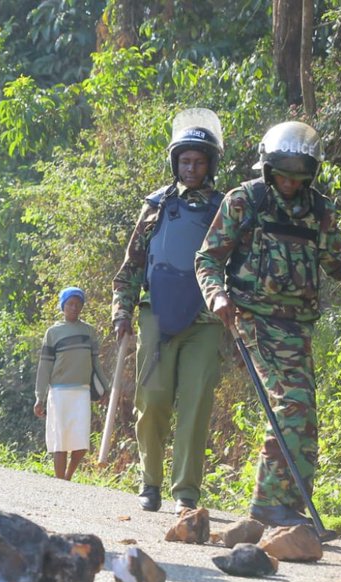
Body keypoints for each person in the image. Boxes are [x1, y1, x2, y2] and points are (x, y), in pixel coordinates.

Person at [195, 121, 341, 528]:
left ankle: (289, 504)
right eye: (282, 175)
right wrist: (218, 296)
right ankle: (269, 503)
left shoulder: (319, 210)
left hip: (297, 325)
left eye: (297, 178)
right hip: (252, 316)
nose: (289, 184)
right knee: (291, 403)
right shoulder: (245, 200)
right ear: (267, 168)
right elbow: (208, 259)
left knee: (303, 412)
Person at [112, 108, 226, 513]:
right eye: (184, 160)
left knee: (195, 404)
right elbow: (132, 265)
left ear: (210, 165)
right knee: (153, 401)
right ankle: (150, 483)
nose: (191, 167)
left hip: (205, 320)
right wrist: (121, 312)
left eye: (198, 161)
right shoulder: (155, 207)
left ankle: (186, 493)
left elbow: (241, 263)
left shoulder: (223, 208)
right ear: (175, 161)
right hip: (155, 314)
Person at [35, 288, 108, 481]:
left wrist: (105, 389)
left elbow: (96, 363)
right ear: (63, 306)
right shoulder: (53, 333)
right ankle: (61, 481)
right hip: (59, 392)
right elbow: (44, 367)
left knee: (81, 442)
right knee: (60, 440)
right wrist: (39, 397)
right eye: (70, 304)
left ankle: (67, 476)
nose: (74, 308)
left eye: (78, 304)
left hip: (82, 391)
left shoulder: (88, 331)